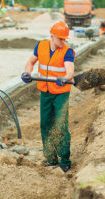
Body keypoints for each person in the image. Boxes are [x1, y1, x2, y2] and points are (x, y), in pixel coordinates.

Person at [21, 21, 75, 173]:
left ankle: (65, 160)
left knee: (60, 125)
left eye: (65, 39)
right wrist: (28, 73)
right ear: (52, 36)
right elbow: (31, 62)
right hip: (45, 91)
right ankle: (51, 158)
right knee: (45, 124)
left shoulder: (67, 51)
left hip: (61, 93)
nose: (63, 41)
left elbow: (70, 71)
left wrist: (66, 77)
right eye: (60, 39)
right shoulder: (41, 46)